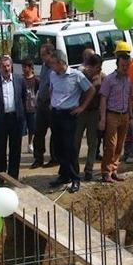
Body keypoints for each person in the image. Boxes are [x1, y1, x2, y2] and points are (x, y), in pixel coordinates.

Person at [48, 49, 95, 193]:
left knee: (71, 148)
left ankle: (75, 178)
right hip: (56, 113)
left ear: (61, 63)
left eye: (53, 64)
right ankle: (64, 175)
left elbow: (91, 90)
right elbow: (52, 90)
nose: (51, 66)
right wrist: (52, 102)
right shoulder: (52, 75)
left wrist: (82, 107)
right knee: (58, 147)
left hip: (69, 114)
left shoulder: (76, 75)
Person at [0, 55, 27, 183]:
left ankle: (13, 176)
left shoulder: (19, 79)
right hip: (0, 120)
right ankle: (0, 177)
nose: (7, 68)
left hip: (15, 119)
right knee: (0, 149)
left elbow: (23, 98)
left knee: (15, 149)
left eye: (8, 66)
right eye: (4, 66)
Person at [98, 54, 132, 184]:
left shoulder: (128, 80)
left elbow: (129, 97)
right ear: (117, 64)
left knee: (119, 145)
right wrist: (102, 118)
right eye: (123, 65)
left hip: (124, 115)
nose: (125, 67)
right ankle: (106, 172)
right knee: (110, 145)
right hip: (112, 114)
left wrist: (130, 115)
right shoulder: (109, 79)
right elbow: (103, 98)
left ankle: (114, 170)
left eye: (127, 65)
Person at [31, 43, 58, 169]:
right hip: (41, 104)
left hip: (52, 105)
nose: (41, 57)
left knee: (55, 132)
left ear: (50, 54)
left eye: (43, 55)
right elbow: (42, 84)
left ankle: (55, 158)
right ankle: (38, 158)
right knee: (38, 132)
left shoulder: (56, 67)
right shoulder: (44, 66)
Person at [76, 54, 102, 182]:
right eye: (94, 67)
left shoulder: (102, 78)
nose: (96, 70)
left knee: (93, 142)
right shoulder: (81, 76)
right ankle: (74, 169)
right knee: (76, 141)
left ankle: (89, 170)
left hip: (94, 113)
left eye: (98, 68)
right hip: (81, 112)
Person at [21, 59, 38, 154]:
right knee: (21, 128)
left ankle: (30, 144)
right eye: (23, 67)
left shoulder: (36, 80)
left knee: (32, 128)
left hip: (32, 108)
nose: (23, 69)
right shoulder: (20, 79)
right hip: (23, 108)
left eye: (25, 67)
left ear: (30, 68)